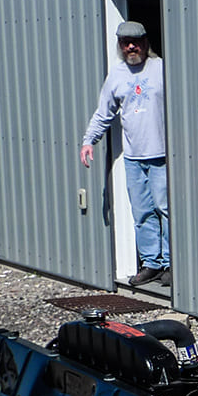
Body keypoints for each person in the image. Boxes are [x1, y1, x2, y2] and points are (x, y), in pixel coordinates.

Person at [79, 21, 170, 287]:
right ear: (120, 46)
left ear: (145, 42)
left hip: (162, 156)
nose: (132, 46)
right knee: (142, 213)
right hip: (134, 158)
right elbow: (103, 113)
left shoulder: (161, 68)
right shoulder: (116, 75)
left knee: (165, 210)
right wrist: (88, 141)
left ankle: (170, 264)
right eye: (125, 42)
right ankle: (152, 263)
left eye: (136, 41)